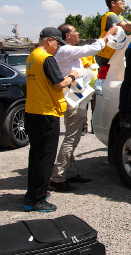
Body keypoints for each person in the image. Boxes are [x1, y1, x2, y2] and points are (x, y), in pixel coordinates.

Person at [48, 23, 119, 192]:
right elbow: (94, 49)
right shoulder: (65, 50)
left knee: (74, 137)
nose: (78, 33)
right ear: (67, 36)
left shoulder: (66, 51)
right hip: (72, 100)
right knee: (71, 138)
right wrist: (109, 33)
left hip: (76, 98)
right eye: (74, 31)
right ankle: (58, 177)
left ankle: (70, 172)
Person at [23, 27, 79, 212]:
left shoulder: (32, 57)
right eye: (57, 43)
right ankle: (37, 199)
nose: (58, 48)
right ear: (50, 40)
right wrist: (73, 76)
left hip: (32, 111)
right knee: (45, 158)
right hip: (46, 113)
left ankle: (32, 193)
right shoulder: (46, 58)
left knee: (36, 155)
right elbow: (59, 83)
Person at [95, 0, 131, 68]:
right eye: (121, 0)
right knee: (104, 79)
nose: (124, 2)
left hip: (111, 56)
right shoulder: (110, 16)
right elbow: (130, 28)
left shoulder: (119, 17)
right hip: (105, 57)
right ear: (113, 3)